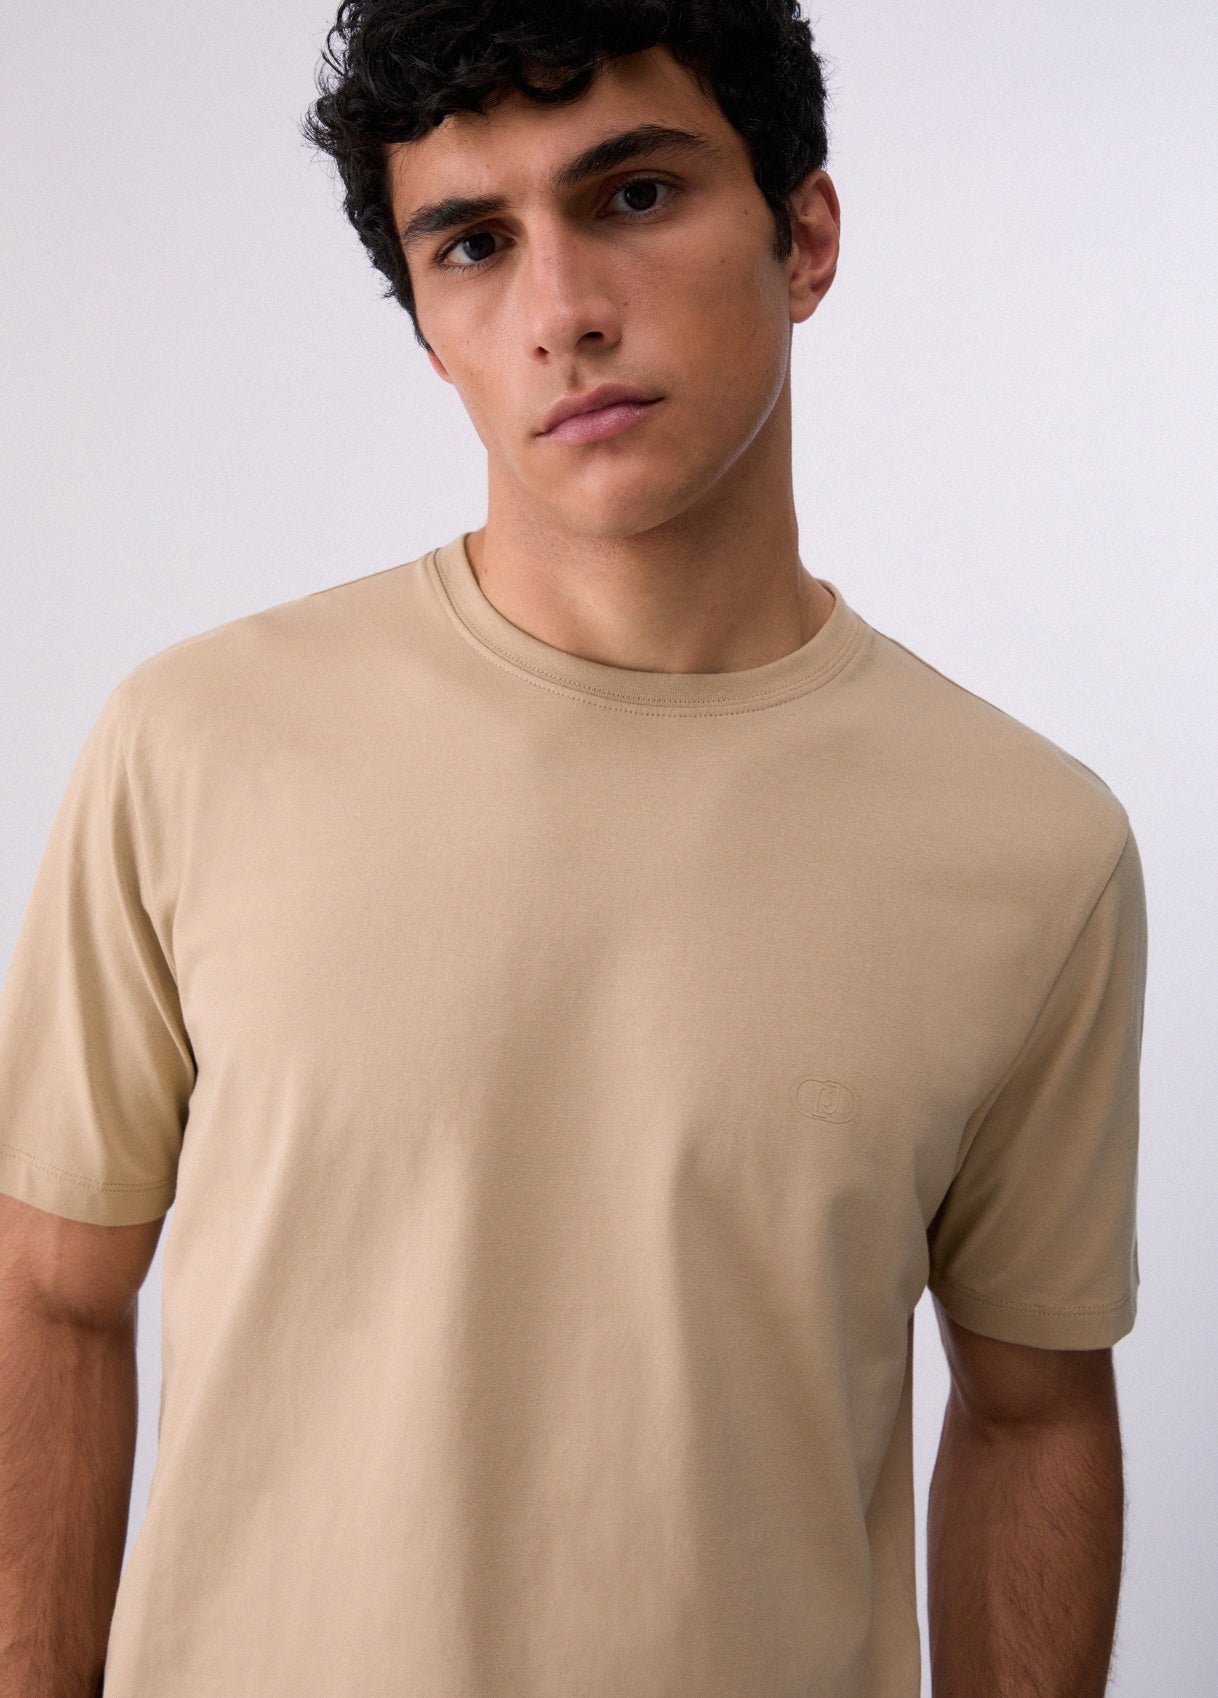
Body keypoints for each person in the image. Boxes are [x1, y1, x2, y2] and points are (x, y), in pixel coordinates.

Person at [0, 3, 1147, 1695]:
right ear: (428, 328)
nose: (561, 313)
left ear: (803, 237)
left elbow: (1035, 1412)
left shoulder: (1030, 846)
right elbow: (49, 1296)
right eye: (472, 243)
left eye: (633, 195)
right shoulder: (194, 745)